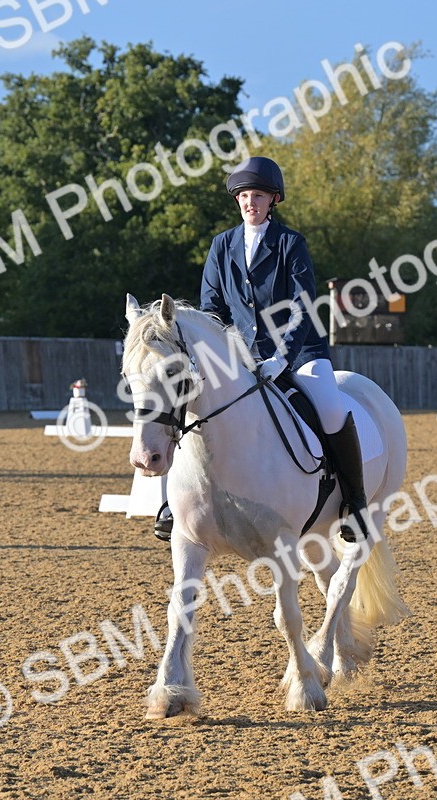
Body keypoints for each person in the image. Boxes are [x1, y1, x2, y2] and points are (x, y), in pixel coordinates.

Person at [153, 156, 371, 545]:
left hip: (299, 352)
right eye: (243, 196)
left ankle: (355, 503)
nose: (249, 202)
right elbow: (212, 308)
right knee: (187, 403)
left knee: (332, 407)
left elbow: (304, 305)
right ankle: (173, 504)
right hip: (240, 355)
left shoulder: (290, 244)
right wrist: (223, 353)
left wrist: (282, 357)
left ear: (273, 200)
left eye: (257, 195)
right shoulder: (222, 245)